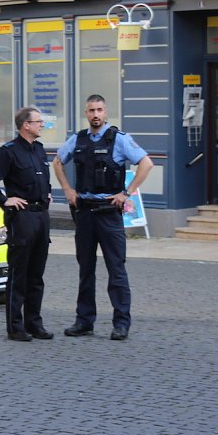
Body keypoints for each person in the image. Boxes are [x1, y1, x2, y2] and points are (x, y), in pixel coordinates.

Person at [53, 94, 153, 341]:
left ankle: (121, 323)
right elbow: (56, 161)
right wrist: (67, 188)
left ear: (106, 112)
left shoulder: (119, 139)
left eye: (99, 110)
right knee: (85, 270)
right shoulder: (78, 139)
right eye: (91, 110)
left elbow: (146, 163)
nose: (95, 114)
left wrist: (126, 193)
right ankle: (84, 321)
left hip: (109, 214)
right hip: (85, 213)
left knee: (116, 270)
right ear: (85, 114)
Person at [0, 107, 52, 342]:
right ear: (25, 125)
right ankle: (15, 326)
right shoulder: (9, 152)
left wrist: (47, 193)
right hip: (22, 218)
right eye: (38, 121)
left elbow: (41, 179)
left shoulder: (39, 150)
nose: (42, 125)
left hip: (41, 216)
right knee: (19, 274)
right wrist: (3, 199)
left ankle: (34, 323)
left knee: (36, 275)